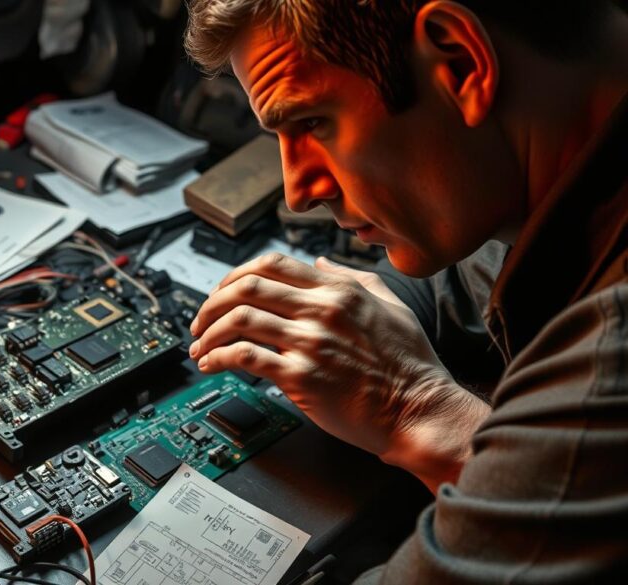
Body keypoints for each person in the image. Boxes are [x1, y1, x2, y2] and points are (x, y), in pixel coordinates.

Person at [183, 1, 628, 582]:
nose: (298, 192)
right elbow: (468, 275)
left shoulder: (611, 352)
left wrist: (412, 405)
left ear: (461, 63)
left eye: (312, 122)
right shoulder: (554, 166)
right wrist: (352, 329)